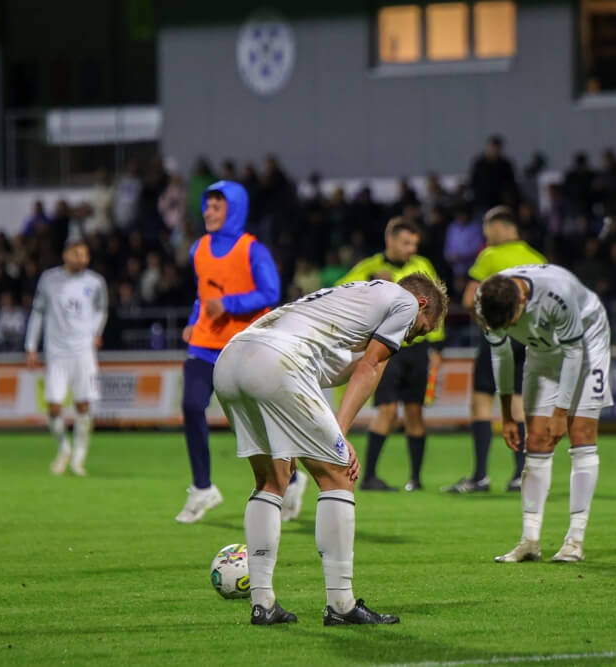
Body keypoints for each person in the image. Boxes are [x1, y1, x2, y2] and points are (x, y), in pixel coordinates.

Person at [213, 273, 448, 625]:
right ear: (423, 304)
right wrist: (339, 435)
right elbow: (371, 365)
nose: (416, 336)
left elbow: (333, 369)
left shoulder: (347, 304)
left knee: (272, 480)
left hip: (233, 358)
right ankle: (341, 605)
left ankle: (262, 604)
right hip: (276, 360)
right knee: (338, 475)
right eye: (424, 328)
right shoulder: (405, 301)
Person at [474, 264, 612, 563]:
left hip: (586, 342)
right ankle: (530, 540)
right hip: (542, 347)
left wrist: (561, 411)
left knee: (581, 433)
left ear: (522, 303)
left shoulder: (556, 293)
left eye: (511, 323)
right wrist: (507, 415)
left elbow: (574, 353)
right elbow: (501, 354)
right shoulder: (485, 301)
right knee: (535, 439)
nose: (509, 330)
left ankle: (574, 540)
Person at [176, 181, 290, 523]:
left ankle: (291, 479)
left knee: (258, 420)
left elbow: (270, 292)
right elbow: (202, 293)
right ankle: (202, 488)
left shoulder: (253, 250)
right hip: (204, 344)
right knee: (191, 405)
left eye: (216, 206)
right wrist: (194, 319)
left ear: (234, 209)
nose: (207, 212)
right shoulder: (199, 247)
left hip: (244, 344)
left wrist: (228, 304)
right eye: (206, 205)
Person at [335, 218, 445, 492]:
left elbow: (436, 309)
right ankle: (370, 475)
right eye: (406, 243)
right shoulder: (371, 267)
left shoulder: (423, 266)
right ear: (391, 240)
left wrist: (438, 347)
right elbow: (342, 289)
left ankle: (415, 480)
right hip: (387, 348)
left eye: (414, 244)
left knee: (415, 412)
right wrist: (371, 282)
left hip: (418, 349)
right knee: (387, 410)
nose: (411, 249)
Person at [444, 206, 546, 493]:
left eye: (488, 232)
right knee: (517, 401)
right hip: (526, 338)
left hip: (496, 335)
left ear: (501, 227)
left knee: (481, 400)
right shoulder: (537, 259)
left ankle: (480, 476)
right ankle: (519, 475)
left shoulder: (490, 256)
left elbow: (468, 298)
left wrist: (484, 317)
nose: (486, 239)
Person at [24, 235, 107, 476]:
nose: (82, 258)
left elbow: (101, 310)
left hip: (83, 352)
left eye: (85, 254)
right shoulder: (49, 280)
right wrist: (31, 346)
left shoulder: (95, 281)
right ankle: (64, 449)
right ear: (66, 255)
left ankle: (78, 459)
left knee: (83, 405)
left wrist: (96, 332)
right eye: (77, 254)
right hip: (57, 353)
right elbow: (37, 314)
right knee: (53, 407)